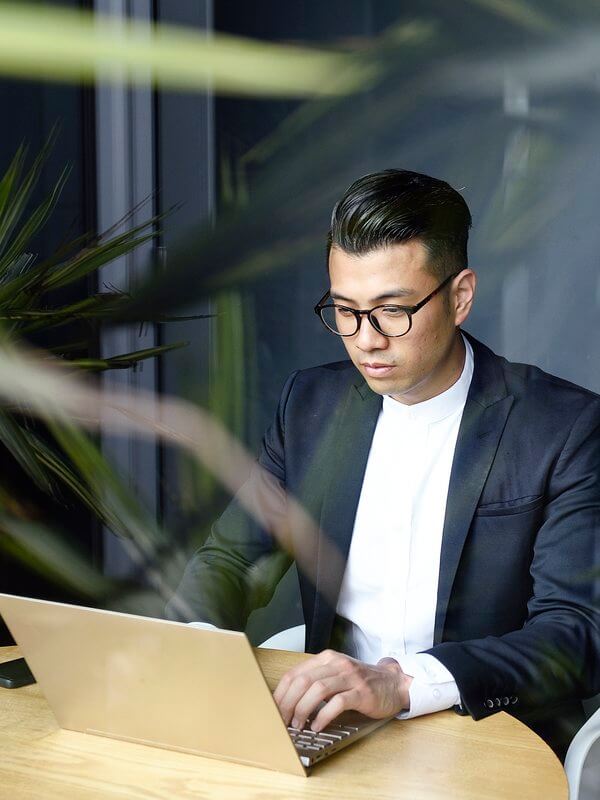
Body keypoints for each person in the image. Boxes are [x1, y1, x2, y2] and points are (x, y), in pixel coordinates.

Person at [166, 169, 600, 762]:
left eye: (392, 311)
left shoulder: (563, 427)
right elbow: (233, 556)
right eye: (345, 309)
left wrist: (402, 684)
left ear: (460, 296)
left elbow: (576, 633)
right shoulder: (310, 407)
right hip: (328, 728)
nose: (365, 339)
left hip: (488, 735)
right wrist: (194, 647)